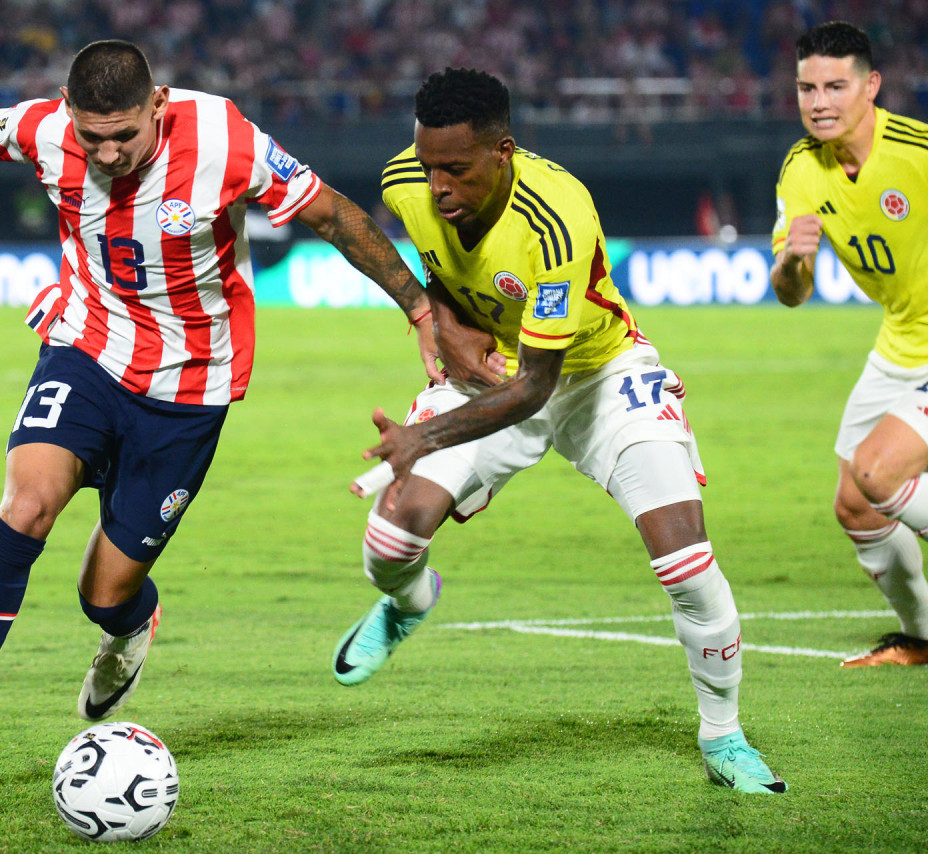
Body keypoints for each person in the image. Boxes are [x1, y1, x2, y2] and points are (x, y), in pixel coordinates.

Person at [0, 39, 437, 801]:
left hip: (191, 384)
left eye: (126, 134)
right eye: (94, 137)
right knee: (25, 508)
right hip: (86, 347)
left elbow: (333, 214)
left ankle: (128, 631)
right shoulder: (46, 129)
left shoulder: (225, 140)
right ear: (68, 112)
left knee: (105, 595)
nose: (110, 152)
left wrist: (418, 306)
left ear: (157, 106)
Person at [333, 67, 787, 794]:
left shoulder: (556, 215)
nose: (437, 186)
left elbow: (537, 387)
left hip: (600, 377)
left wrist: (427, 435)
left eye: (455, 169)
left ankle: (723, 736)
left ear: (503, 151)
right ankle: (412, 602)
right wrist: (435, 315)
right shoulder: (405, 181)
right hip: (491, 371)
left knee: (686, 562)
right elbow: (398, 248)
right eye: (428, 166)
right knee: (389, 544)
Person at [770, 21, 928, 668]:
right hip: (901, 342)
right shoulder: (802, 169)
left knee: (879, 469)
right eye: (808, 87)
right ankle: (921, 637)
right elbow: (791, 292)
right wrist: (792, 262)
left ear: (872, 88)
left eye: (836, 86)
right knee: (856, 504)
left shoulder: (916, 152)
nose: (820, 101)